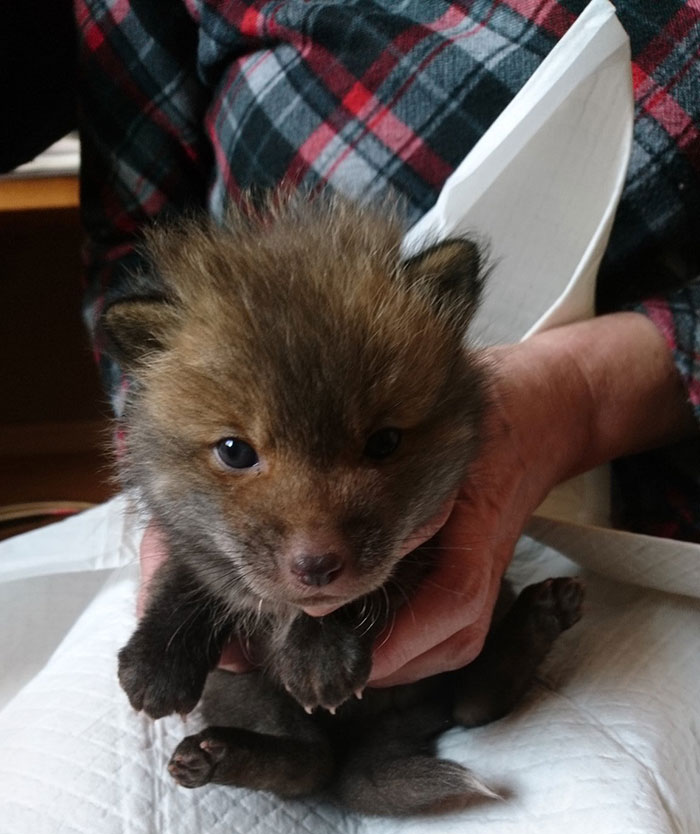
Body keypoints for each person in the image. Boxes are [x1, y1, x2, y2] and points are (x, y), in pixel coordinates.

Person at [75, 0, 700, 686]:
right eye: (238, 451)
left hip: (659, 532)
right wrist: (164, 470)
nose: (315, 542)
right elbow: (132, 238)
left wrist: (580, 395)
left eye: (377, 447)